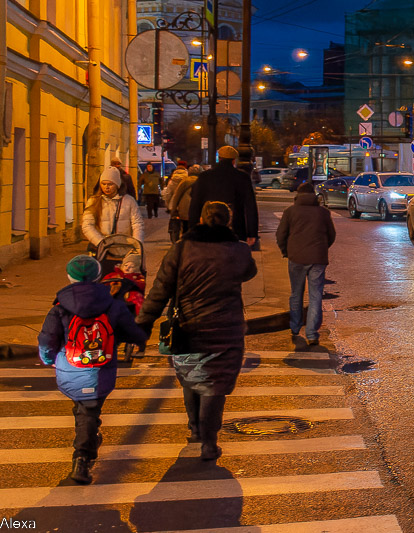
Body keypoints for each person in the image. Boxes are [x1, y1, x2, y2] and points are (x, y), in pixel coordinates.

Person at [138, 201, 258, 462]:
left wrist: (143, 323)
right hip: (226, 328)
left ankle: (195, 429)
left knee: (190, 377)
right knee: (215, 384)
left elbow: (161, 289)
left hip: (188, 326)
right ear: (228, 221)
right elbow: (249, 272)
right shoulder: (238, 250)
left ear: (201, 220)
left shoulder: (182, 248)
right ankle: (209, 441)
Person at [37, 254, 148, 485]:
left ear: (69, 277)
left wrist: (49, 359)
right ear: (99, 276)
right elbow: (134, 334)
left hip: (70, 368)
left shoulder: (60, 306)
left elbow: (47, 340)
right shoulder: (113, 305)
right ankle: (82, 457)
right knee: (89, 411)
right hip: (101, 370)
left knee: (84, 410)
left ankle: (88, 440)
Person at [276, 180, 337, 347]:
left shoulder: (290, 212)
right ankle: (311, 333)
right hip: (317, 258)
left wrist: (286, 251)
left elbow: (281, 234)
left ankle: (295, 327)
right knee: (315, 295)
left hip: (296, 257)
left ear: (298, 195)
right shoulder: (323, 213)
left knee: (296, 294)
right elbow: (331, 235)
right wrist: (321, 248)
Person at [189, 146, 260, 248]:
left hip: (208, 226)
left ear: (220, 158)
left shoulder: (205, 176)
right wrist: (252, 233)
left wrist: (192, 229)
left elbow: (195, 204)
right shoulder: (242, 177)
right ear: (234, 160)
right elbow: (250, 206)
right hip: (235, 227)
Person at [81, 166, 145, 254]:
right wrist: (101, 242)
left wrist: (137, 244)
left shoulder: (129, 201)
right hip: (102, 249)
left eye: (110, 184)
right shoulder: (93, 201)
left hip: (125, 248)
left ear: (117, 185)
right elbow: (87, 225)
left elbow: (137, 224)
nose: (106, 187)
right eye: (103, 184)